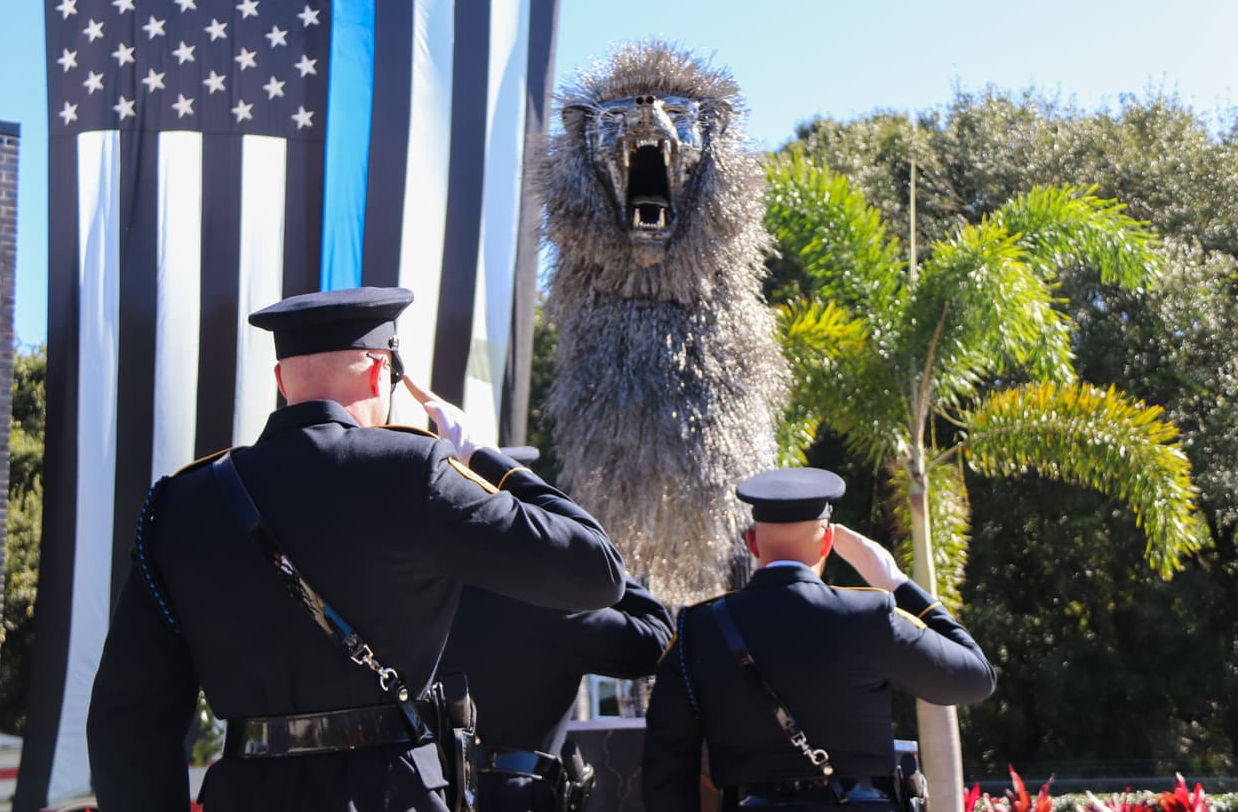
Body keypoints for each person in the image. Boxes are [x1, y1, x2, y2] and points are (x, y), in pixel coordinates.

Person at [86, 286, 626, 812]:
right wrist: (483, 458)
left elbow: (127, 718)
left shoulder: (181, 503)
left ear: (281, 380)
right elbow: (597, 570)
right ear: (378, 370)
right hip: (390, 791)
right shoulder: (415, 471)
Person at [643, 466, 996, 812]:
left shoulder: (699, 627)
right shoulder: (869, 615)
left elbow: (666, 762)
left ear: (751, 543)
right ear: (827, 543)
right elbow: (974, 678)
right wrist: (898, 585)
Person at [438, 446, 675, 812]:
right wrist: (602, 560)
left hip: (439, 790)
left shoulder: (432, 587)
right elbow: (657, 640)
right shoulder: (551, 605)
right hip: (524, 796)